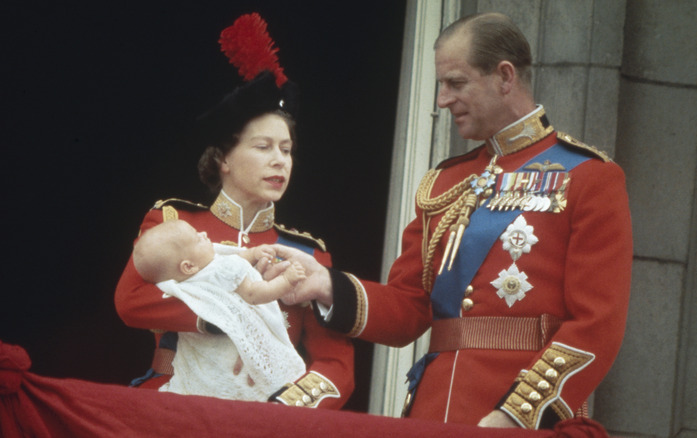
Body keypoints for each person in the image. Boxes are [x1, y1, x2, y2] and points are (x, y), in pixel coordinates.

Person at [269, 12, 632, 429]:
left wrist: (516, 415)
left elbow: (596, 325)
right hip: (432, 413)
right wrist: (324, 285)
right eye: (441, 85)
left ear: (505, 77)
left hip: (523, 418)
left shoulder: (588, 177)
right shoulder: (447, 180)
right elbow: (408, 310)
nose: (442, 100)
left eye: (456, 83)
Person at [115, 12, 354, 409]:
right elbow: (131, 301)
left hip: (267, 417)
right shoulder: (173, 222)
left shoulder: (308, 253)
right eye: (263, 147)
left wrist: (284, 410)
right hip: (175, 404)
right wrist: (217, 318)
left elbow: (335, 363)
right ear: (223, 158)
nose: (280, 161)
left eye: (287, 149)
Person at [132, 219, 308, 401]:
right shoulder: (224, 269)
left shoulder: (174, 283)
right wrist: (287, 280)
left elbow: (227, 263)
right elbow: (253, 294)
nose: (204, 234)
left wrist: (254, 253)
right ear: (188, 266)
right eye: (198, 238)